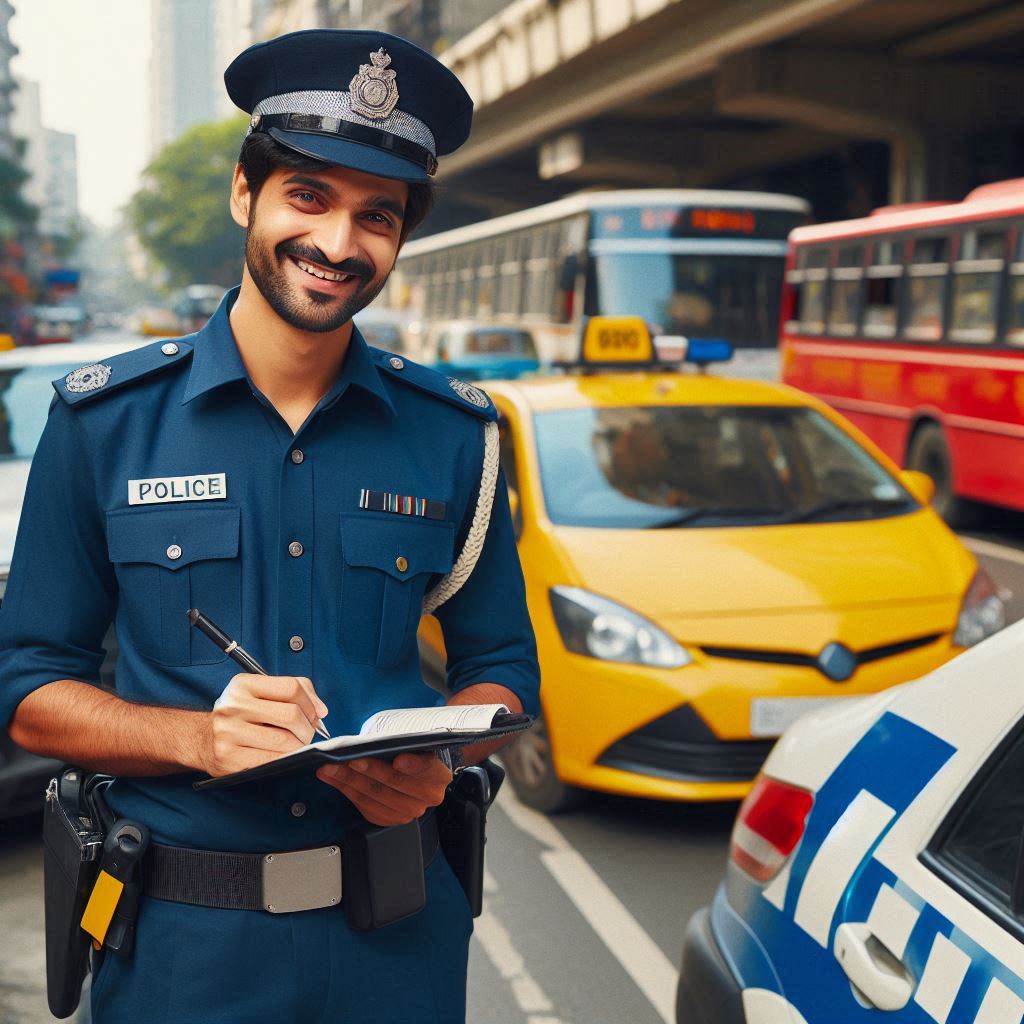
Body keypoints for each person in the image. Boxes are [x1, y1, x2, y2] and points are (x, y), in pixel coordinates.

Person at [0, 29, 539, 1024]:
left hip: (398, 941)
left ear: (402, 236)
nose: (338, 244)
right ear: (246, 193)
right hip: (178, 949)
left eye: (375, 215)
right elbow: (28, 691)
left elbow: (503, 663)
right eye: (309, 197)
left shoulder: (456, 435)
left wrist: (442, 757)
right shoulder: (104, 423)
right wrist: (197, 737)